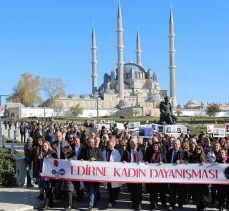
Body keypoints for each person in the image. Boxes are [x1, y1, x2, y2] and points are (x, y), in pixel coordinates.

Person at [78, 137, 102, 211]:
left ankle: (91, 204)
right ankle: (96, 197)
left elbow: (101, 159)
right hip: (86, 173)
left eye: (93, 142)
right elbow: (79, 159)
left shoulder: (98, 150)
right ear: (87, 143)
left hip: (95, 173)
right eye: (90, 142)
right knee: (91, 187)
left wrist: (96, 159)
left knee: (92, 188)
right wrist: (82, 160)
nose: (91, 143)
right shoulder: (83, 150)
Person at [122, 137, 143, 211]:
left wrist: (142, 162)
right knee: (132, 189)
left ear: (137, 144)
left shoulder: (140, 150)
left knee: (138, 189)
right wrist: (124, 161)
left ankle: (139, 203)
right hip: (130, 174)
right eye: (132, 144)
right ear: (130, 144)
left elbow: (143, 160)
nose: (134, 145)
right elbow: (123, 160)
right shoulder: (126, 151)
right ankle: (134, 202)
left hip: (138, 173)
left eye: (135, 144)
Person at [166, 138, 188, 210]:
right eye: (174, 144)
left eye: (177, 144)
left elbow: (187, 161)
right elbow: (166, 160)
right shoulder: (169, 151)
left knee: (180, 191)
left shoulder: (184, 152)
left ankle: (180, 204)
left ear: (180, 144)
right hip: (171, 174)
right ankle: (172, 204)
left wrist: (181, 161)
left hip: (180, 174)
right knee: (172, 190)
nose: (175, 145)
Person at [144, 142, 167, 210]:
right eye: (154, 145)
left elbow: (166, 162)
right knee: (152, 192)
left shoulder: (162, 153)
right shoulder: (150, 153)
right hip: (152, 176)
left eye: (156, 145)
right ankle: (153, 205)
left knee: (162, 191)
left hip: (161, 176)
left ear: (159, 146)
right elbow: (146, 160)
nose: (155, 146)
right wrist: (146, 162)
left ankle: (163, 202)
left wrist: (163, 163)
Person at [102, 139, 121, 208]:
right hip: (107, 172)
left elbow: (118, 161)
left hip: (115, 172)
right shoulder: (104, 152)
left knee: (116, 187)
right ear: (107, 145)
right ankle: (111, 200)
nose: (110, 146)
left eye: (111, 145)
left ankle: (112, 199)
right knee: (110, 187)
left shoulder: (116, 152)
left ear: (113, 145)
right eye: (109, 145)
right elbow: (102, 161)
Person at [189, 145, 207, 211]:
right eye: (197, 149)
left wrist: (204, 163)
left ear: (201, 149)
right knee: (196, 193)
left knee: (202, 193)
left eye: (199, 149)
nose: (198, 150)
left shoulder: (204, 156)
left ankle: (203, 206)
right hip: (194, 178)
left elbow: (208, 165)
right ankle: (198, 206)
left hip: (203, 178)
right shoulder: (191, 156)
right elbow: (188, 164)